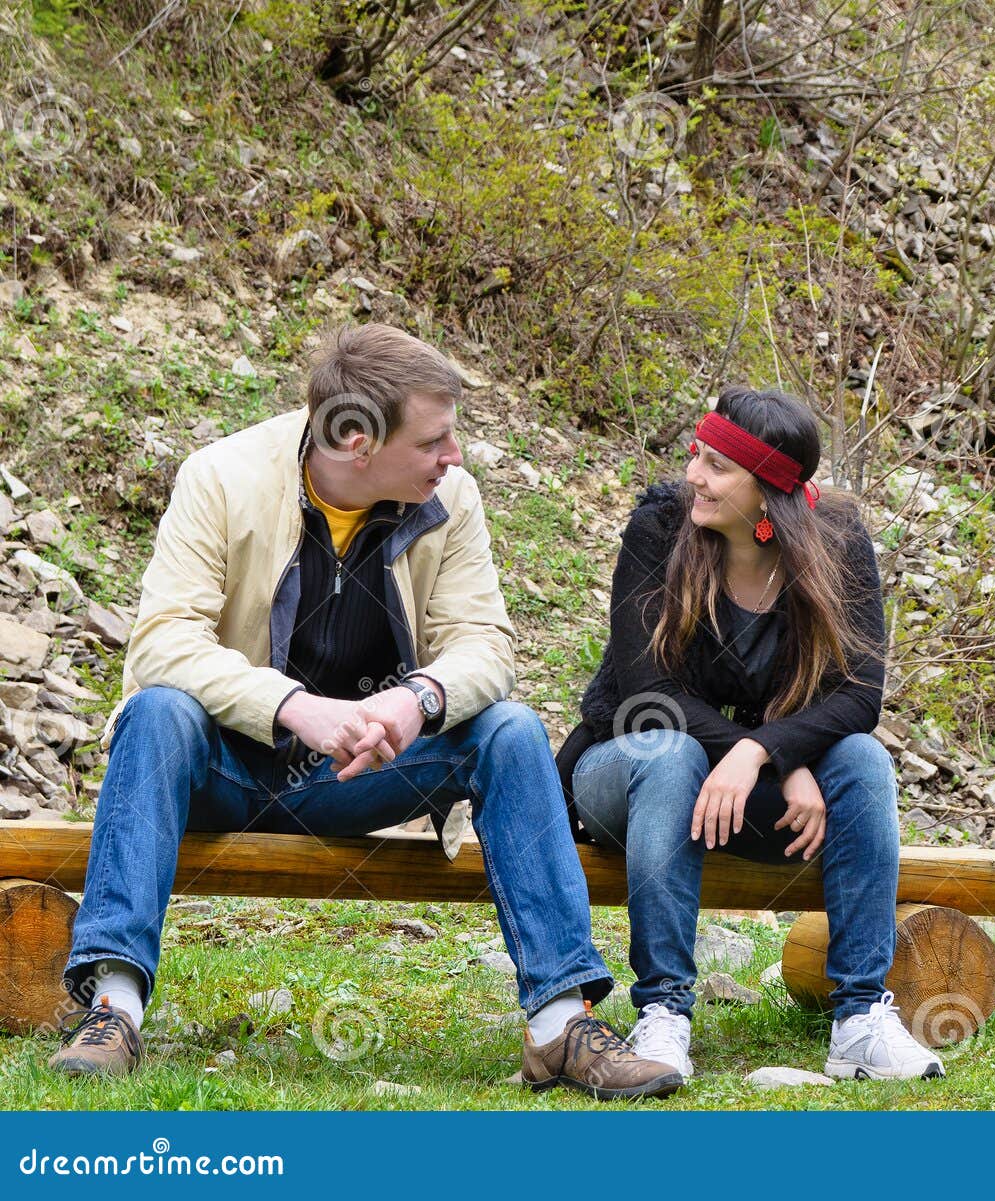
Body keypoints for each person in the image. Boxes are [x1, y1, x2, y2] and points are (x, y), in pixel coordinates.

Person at [51, 323, 681, 1100]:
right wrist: (292, 707)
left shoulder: (450, 497)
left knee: (510, 728)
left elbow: (485, 641)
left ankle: (559, 1025)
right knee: (155, 711)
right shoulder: (222, 477)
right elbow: (160, 644)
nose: (453, 456)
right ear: (357, 441)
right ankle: (113, 1009)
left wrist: (421, 697)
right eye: (434, 440)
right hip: (226, 771)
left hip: (364, 775)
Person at [555, 385, 944, 1082]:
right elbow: (648, 693)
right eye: (696, 457)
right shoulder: (660, 528)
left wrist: (767, 750)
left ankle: (859, 1018)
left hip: (741, 798)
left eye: (717, 467)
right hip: (628, 773)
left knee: (860, 760)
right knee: (670, 753)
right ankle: (665, 1013)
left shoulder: (838, 543)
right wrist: (762, 754)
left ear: (769, 492)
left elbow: (860, 696)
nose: (694, 477)